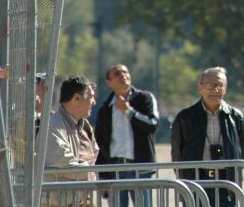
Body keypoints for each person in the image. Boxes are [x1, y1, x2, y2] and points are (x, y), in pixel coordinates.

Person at [171, 67, 244, 207]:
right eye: (210, 85)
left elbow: (242, 151)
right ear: (200, 88)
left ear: (225, 89)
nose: (215, 90)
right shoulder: (185, 117)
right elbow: (177, 155)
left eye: (219, 85)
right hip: (196, 182)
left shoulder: (235, 117)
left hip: (227, 184)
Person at [94, 63, 159, 207]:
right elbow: (100, 144)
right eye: (117, 74)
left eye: (125, 72)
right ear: (108, 82)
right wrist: (102, 177)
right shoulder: (105, 110)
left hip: (140, 169)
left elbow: (152, 125)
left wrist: (128, 111)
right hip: (115, 169)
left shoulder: (145, 99)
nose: (123, 75)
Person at [45, 75, 99, 206]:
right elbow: (64, 163)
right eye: (91, 97)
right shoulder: (53, 125)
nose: (94, 102)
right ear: (76, 98)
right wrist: (89, 172)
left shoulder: (85, 126)